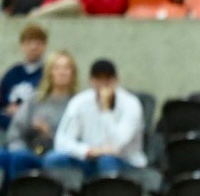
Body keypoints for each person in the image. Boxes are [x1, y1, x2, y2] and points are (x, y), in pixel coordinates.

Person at [44, 58, 146, 176]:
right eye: (98, 79)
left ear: (116, 80)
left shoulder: (131, 104)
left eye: (107, 79)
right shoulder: (79, 102)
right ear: (91, 81)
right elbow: (62, 141)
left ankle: (110, 193)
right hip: (89, 159)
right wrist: (88, 151)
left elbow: (116, 146)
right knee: (53, 159)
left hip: (125, 163)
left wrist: (106, 109)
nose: (103, 84)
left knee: (106, 160)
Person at [1, 51, 78, 180]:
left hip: (58, 153)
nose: (62, 72)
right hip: (29, 150)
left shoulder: (77, 103)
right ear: (50, 72)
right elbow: (15, 132)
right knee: (10, 156)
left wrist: (49, 135)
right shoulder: (35, 100)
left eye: (66, 68)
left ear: (73, 73)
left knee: (51, 159)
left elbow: (78, 142)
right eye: (57, 68)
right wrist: (19, 149)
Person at [0, 23, 48, 131]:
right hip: (6, 126)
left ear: (45, 46)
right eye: (28, 43)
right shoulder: (12, 73)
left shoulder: (48, 74)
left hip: (32, 128)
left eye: (38, 43)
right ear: (21, 45)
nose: (33, 47)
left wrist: (22, 113)